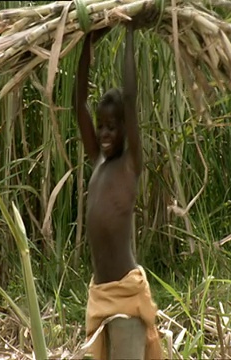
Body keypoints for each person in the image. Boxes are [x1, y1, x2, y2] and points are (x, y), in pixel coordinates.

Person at [74, 23, 163, 359]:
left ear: (126, 128)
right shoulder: (97, 159)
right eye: (101, 127)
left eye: (112, 127)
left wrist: (129, 31)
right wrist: (87, 44)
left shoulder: (130, 163)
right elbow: (79, 103)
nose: (104, 133)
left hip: (126, 297)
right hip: (99, 296)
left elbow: (129, 96)